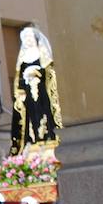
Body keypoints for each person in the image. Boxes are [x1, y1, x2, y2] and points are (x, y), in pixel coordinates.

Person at [10, 25, 63, 156]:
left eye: (30, 37)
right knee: (31, 116)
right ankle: (34, 140)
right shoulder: (22, 60)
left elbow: (50, 74)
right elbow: (18, 81)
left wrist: (37, 73)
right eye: (25, 38)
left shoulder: (43, 55)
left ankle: (48, 136)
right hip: (28, 94)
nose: (28, 40)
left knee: (44, 113)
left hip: (42, 92)